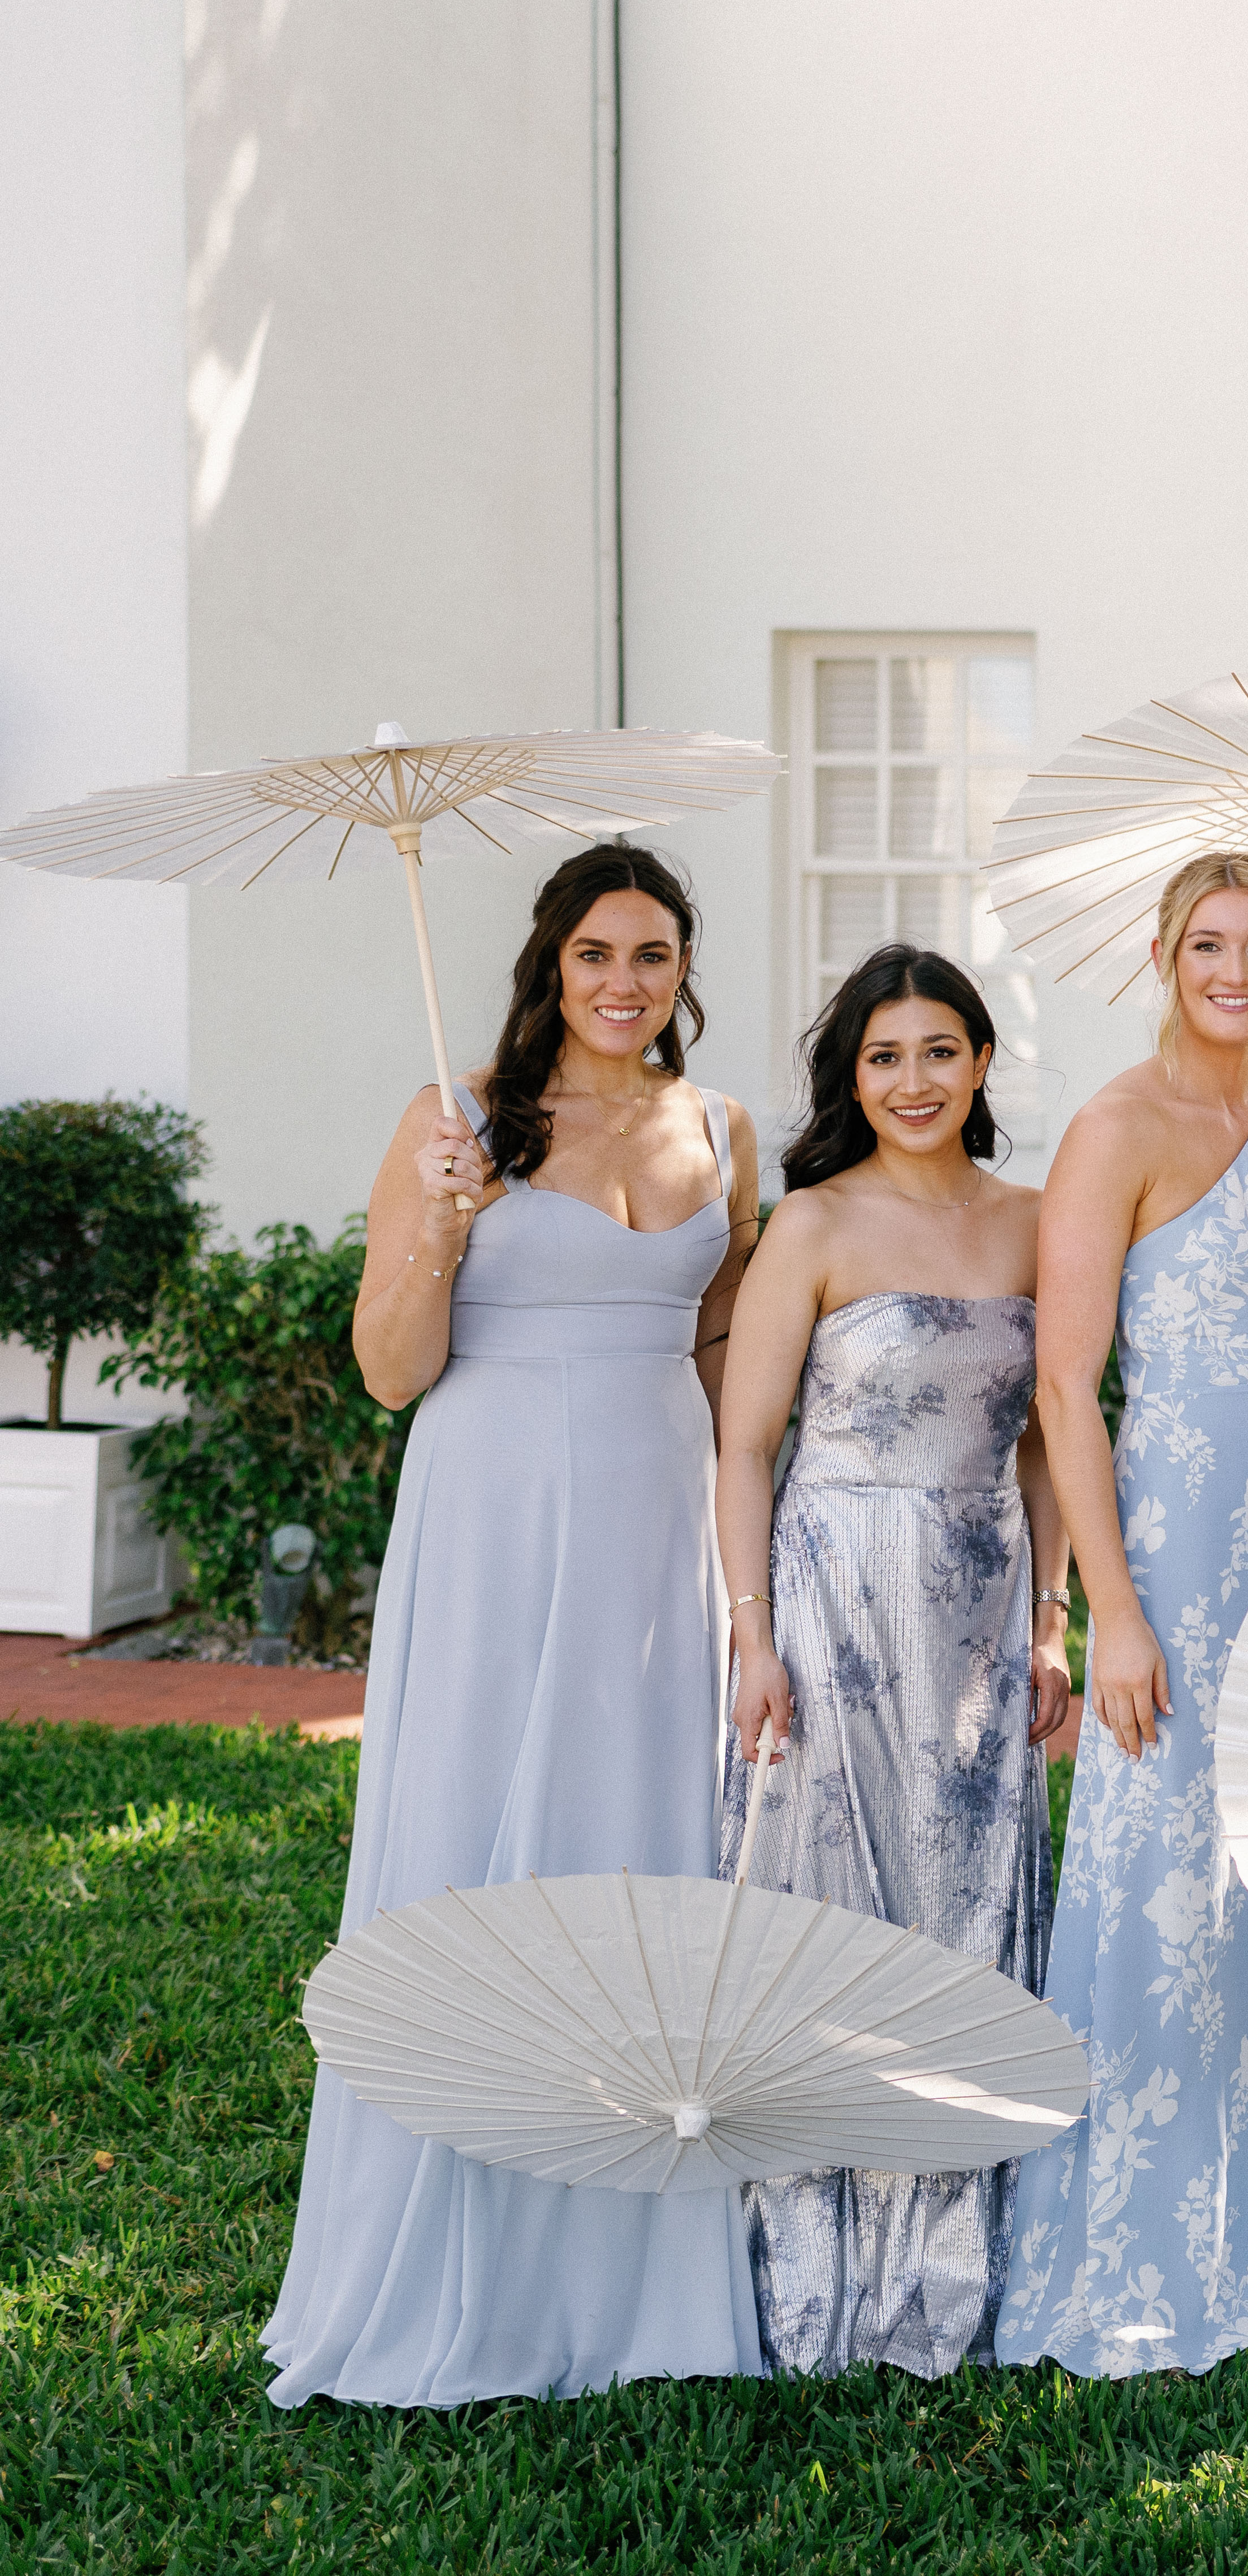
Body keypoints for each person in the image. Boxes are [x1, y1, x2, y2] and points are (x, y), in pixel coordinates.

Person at [267, 841, 766, 2405]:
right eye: (597, 952)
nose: (625, 982)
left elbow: (722, 1352)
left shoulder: (722, 1128)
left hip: (656, 1518)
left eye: (654, 954)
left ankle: (632, 2273)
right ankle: (449, 2259)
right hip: (489, 1507)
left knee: (635, 1843)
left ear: (683, 971)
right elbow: (389, 1370)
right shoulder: (455, 1116)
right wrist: (440, 1223)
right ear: (552, 961)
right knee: (471, 1839)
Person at [995, 851, 1248, 2378]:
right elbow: (1064, 1387)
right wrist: (1111, 1608)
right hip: (1174, 1543)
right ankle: (1151, 2240)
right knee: (1168, 1870)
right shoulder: (1112, 1129)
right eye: (1210, 945)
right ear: (1164, 958)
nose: (1237, 971)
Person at [716, 945, 1069, 2377]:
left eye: (937, 1051)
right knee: (833, 1902)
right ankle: (816, 2263)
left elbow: (1050, 1438)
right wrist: (753, 1634)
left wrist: (1052, 1623)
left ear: (980, 1062)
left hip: (981, 1601)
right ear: (850, 1079)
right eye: (883, 1057)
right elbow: (745, 1446)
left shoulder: (1041, 1222)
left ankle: (953, 2256)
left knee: (964, 1903)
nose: (912, 1081)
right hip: (834, 1600)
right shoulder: (811, 1225)